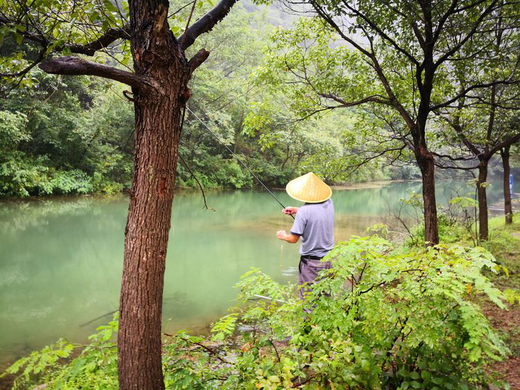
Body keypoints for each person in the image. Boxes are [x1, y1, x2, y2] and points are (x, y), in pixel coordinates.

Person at [276, 172, 334, 299]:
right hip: (329, 260)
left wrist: (283, 235)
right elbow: (316, 211)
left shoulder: (304, 212)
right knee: (325, 297)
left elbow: (293, 239)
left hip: (312, 264)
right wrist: (297, 210)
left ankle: (308, 318)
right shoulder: (329, 203)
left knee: (309, 299)